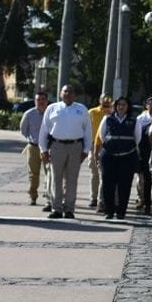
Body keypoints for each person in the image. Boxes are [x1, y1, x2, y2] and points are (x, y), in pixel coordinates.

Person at [40, 86, 94, 219]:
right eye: (65, 91)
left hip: (75, 147)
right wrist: (43, 149)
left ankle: (69, 209)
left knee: (72, 180)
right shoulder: (52, 108)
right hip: (57, 146)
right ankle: (56, 209)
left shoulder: (82, 109)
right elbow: (44, 130)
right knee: (55, 179)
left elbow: (88, 131)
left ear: (75, 95)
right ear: (60, 93)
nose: (67, 94)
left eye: (70, 92)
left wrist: (86, 150)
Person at [97, 97, 138, 220]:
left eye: (124, 104)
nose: (121, 107)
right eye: (119, 104)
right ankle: (109, 211)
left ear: (128, 107)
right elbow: (102, 135)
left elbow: (137, 138)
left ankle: (121, 212)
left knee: (124, 185)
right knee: (108, 184)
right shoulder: (107, 119)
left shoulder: (134, 120)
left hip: (127, 156)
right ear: (115, 106)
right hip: (109, 156)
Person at [18, 92, 51, 209]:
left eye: (43, 99)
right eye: (38, 100)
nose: (41, 102)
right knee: (33, 174)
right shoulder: (29, 114)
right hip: (33, 147)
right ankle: (33, 196)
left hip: (48, 148)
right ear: (35, 101)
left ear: (47, 101)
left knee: (50, 173)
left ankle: (49, 196)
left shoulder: (51, 113)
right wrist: (31, 139)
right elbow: (23, 130)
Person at [133, 96, 152, 212]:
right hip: (143, 153)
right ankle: (142, 200)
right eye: (150, 104)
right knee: (142, 179)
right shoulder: (140, 119)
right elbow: (137, 136)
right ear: (146, 105)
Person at [88, 95, 112, 212]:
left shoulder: (113, 114)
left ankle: (101, 200)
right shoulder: (92, 112)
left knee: (105, 175)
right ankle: (93, 197)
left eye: (108, 99)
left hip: (108, 147)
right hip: (94, 145)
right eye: (104, 99)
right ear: (99, 100)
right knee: (94, 173)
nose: (106, 101)